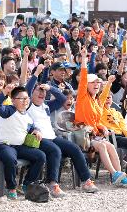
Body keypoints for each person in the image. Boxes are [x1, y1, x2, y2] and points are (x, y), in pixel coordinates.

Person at [26, 64, 99, 196]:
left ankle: (86, 181)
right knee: (55, 151)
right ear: (31, 94)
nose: (42, 94)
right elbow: (27, 89)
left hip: (52, 137)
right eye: (39, 91)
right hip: (38, 138)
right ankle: (52, 183)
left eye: (43, 92)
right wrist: (36, 74)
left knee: (75, 149)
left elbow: (62, 98)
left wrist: (50, 88)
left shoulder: (46, 105)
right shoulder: (28, 105)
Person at [75, 46, 127, 187]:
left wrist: (101, 126)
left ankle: (118, 176)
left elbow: (103, 96)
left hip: (93, 136)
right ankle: (114, 173)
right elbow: (83, 77)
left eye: (98, 83)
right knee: (101, 145)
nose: (96, 84)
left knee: (110, 146)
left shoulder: (96, 101)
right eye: (93, 82)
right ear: (86, 85)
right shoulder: (82, 97)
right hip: (82, 135)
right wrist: (83, 59)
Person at [0, 84, 46, 200]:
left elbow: (32, 127)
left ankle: (26, 185)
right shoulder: (9, 110)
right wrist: (4, 93)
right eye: (21, 98)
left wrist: (37, 131)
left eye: (26, 98)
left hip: (20, 147)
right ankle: (11, 188)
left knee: (41, 156)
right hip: (5, 145)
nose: (25, 101)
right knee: (10, 159)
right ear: (13, 100)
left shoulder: (27, 115)